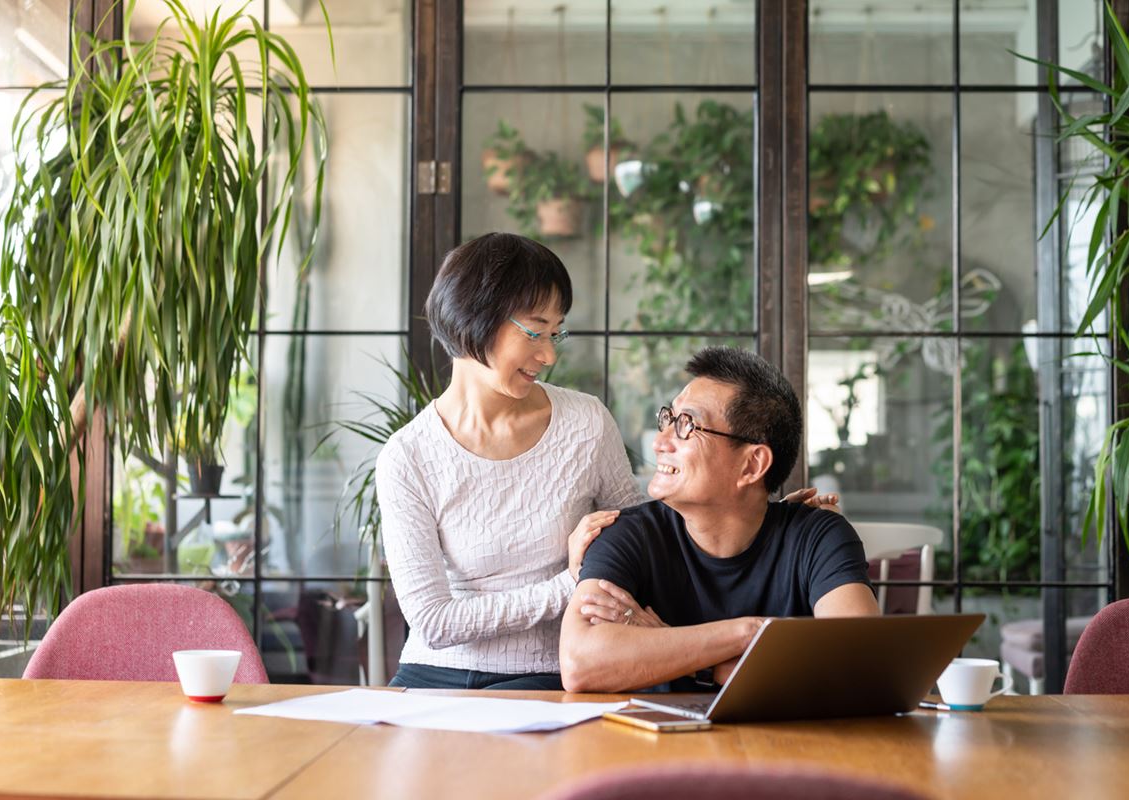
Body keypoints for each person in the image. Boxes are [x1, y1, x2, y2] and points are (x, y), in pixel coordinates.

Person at [377, 233, 838, 690]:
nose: (549, 354)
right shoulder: (408, 456)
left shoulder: (585, 422)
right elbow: (434, 622)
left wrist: (769, 518)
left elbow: (647, 534)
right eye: (535, 330)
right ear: (472, 318)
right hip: (430, 676)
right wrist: (568, 583)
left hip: (554, 673)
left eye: (557, 333)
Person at [559, 346, 880, 694]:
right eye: (668, 419)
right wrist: (747, 633)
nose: (661, 442)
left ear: (752, 465)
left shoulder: (818, 535)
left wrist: (694, 657)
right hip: (656, 745)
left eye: (687, 425)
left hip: (787, 745)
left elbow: (860, 668)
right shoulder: (624, 535)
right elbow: (580, 665)